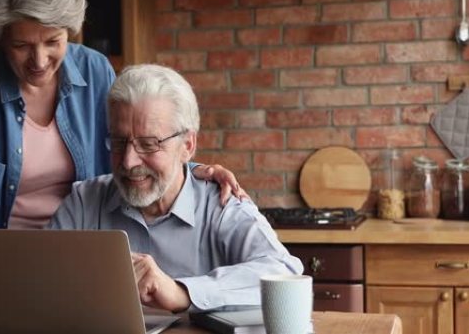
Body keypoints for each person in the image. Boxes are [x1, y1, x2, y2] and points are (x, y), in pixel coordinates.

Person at [0, 0, 245, 305]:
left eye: (53, 41)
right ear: (0, 37)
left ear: (70, 29)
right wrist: (13, 265)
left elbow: (132, 143)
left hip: (81, 270)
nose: (38, 61)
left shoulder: (95, 70)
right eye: (21, 45)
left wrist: (189, 168)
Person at [49, 64, 303, 312]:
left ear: (188, 146)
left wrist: (182, 292)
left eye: (148, 144)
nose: (128, 161)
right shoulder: (84, 201)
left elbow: (283, 271)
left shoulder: (221, 203)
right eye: (118, 141)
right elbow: (40, 280)